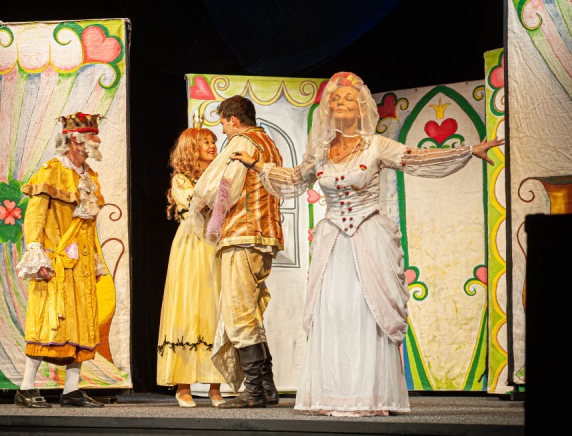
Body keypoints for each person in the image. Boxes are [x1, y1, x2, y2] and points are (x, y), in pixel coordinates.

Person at [230, 72, 504, 417]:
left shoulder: (376, 145)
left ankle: (369, 396)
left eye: (349, 98)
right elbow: (294, 180)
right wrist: (257, 164)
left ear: (361, 109)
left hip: (368, 237)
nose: (340, 102)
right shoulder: (320, 152)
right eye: (335, 98)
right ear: (328, 108)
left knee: (367, 311)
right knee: (335, 311)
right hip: (334, 243)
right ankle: (334, 395)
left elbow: (417, 159)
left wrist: (468, 151)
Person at [187, 95, 283, 409]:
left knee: (239, 310)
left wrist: (202, 205)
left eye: (224, 124)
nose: (224, 132)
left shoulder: (243, 141)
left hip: (243, 233)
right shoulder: (269, 143)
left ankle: (254, 391)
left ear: (234, 120)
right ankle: (266, 387)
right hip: (264, 236)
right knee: (250, 311)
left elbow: (220, 185)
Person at [14, 112, 109, 409]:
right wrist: (36, 255)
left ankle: (71, 390)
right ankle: (26, 388)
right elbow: (34, 217)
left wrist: (94, 259)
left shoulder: (89, 177)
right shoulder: (51, 171)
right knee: (47, 322)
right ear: (74, 140)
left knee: (81, 323)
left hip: (81, 265)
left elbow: (89, 225)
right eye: (92, 136)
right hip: (55, 262)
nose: (97, 140)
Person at [156, 126, 226, 407]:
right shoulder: (182, 180)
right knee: (187, 308)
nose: (211, 146)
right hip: (191, 246)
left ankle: (215, 386)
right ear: (191, 149)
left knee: (214, 308)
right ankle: (183, 385)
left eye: (213, 141)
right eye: (205, 142)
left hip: (215, 246)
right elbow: (198, 204)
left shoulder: (222, 175)